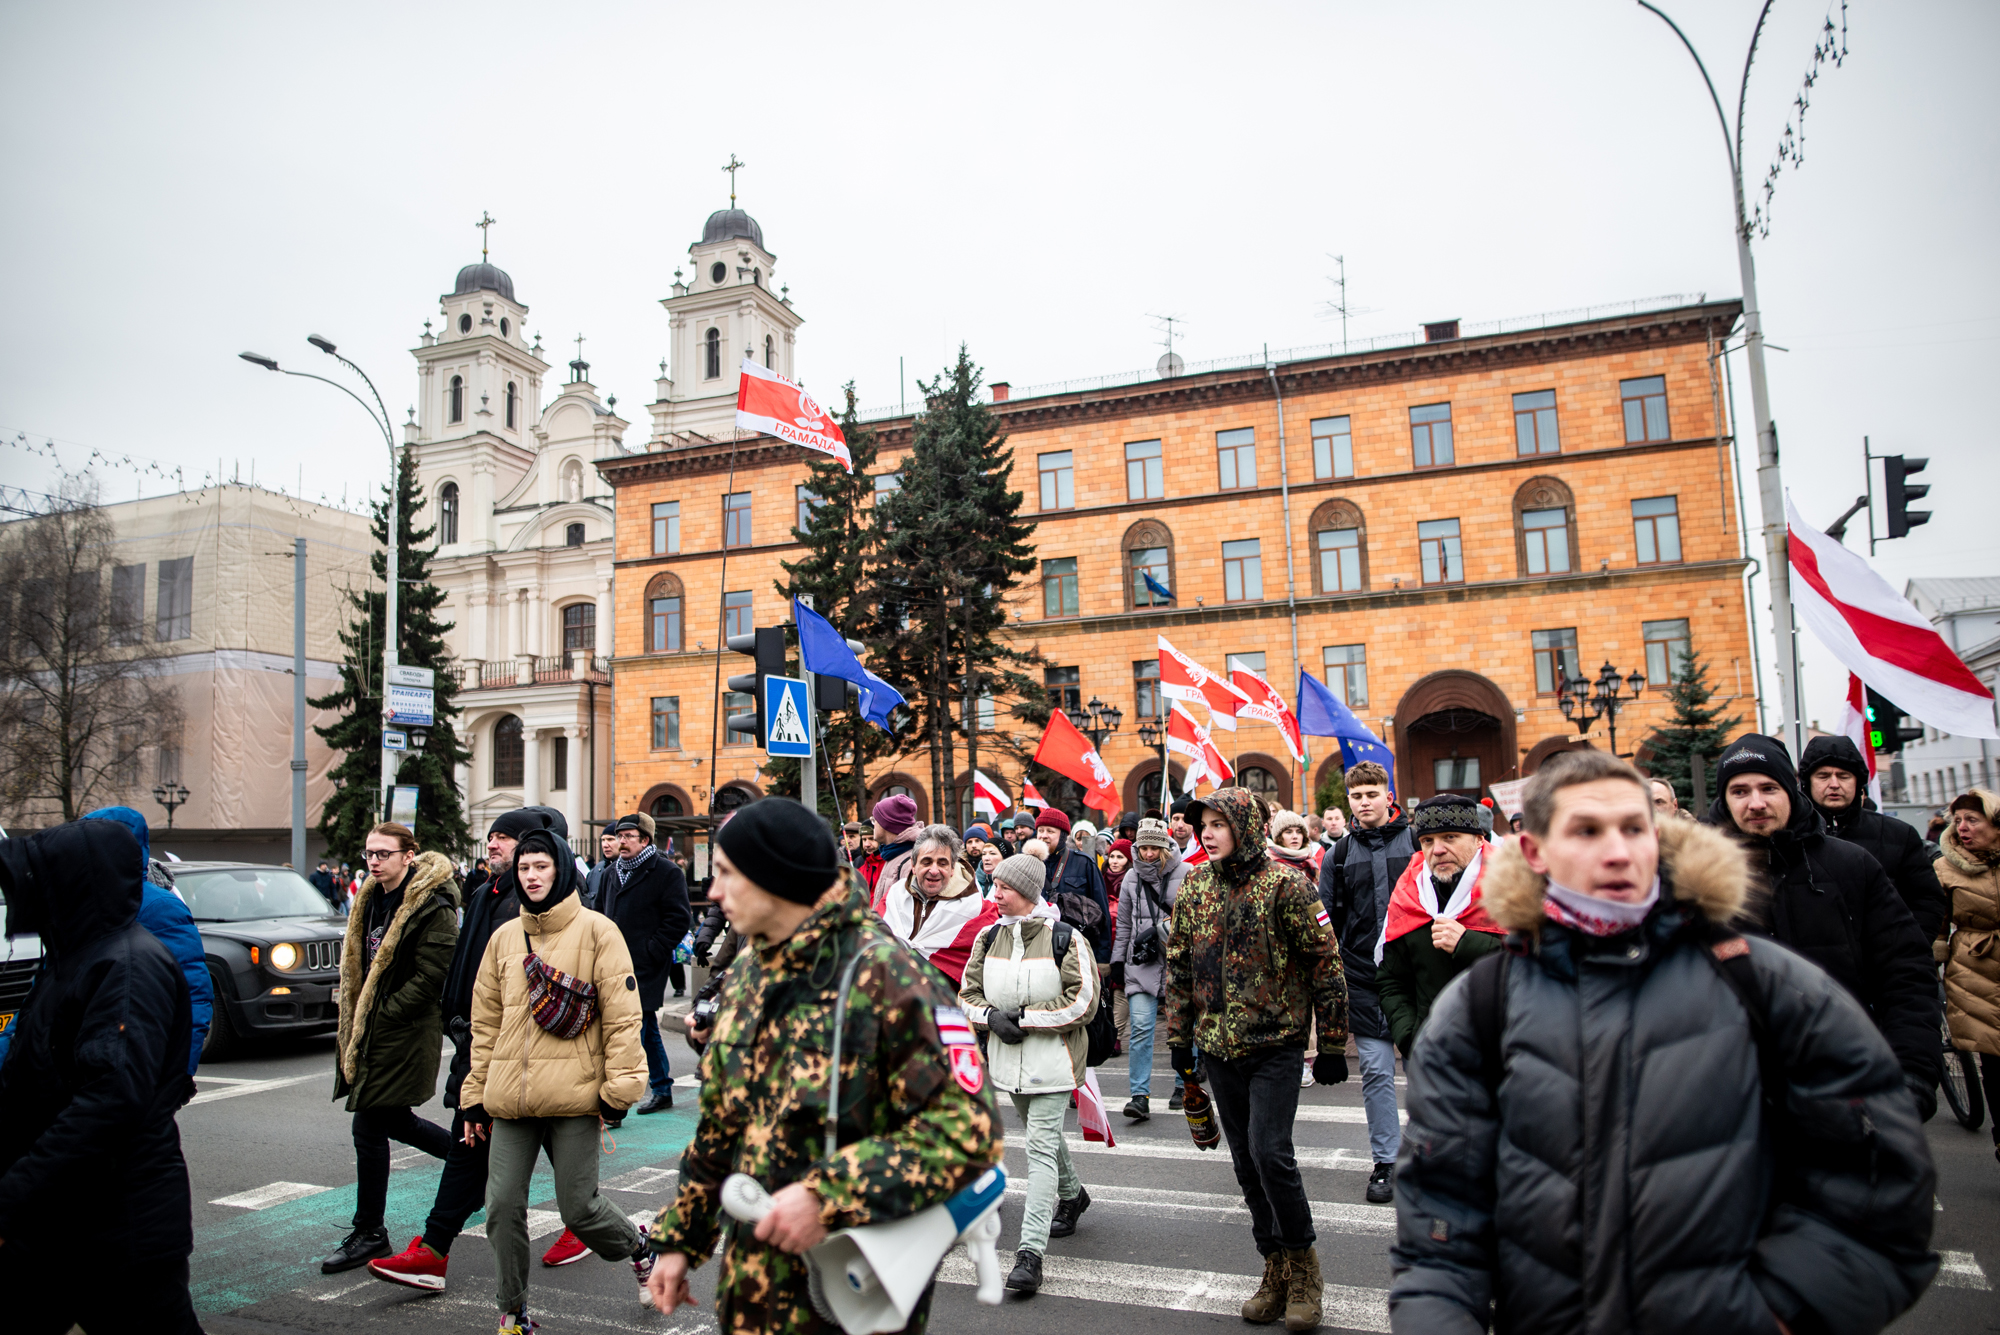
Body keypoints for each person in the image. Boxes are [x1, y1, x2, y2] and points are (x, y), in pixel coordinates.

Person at [1390, 748, 1938, 1335]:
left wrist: (1778, 1313)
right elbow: (1440, 1225)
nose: (1618, 849)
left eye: (1633, 827)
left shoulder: (1762, 981)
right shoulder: (1481, 1007)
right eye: (1586, 830)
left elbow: (1878, 1185)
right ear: (1534, 851)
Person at [643, 798, 1003, 1331]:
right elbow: (722, 1126)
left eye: (725, 874)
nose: (713, 894)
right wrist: (681, 1240)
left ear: (773, 877)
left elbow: (967, 1133)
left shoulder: (889, 976)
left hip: (847, 1294)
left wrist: (826, 1197)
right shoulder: (749, 973)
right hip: (753, 1294)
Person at [0, 820, 202, 1333]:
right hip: (66, 1219)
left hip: (120, 1224)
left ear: (69, 885)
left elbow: (110, 1099)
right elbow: (33, 1073)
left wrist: (16, 1188)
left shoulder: (127, 966)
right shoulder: (74, 957)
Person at [1164, 787, 1348, 1331]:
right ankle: (1274, 1267)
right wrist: (1181, 1038)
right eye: (1204, 826)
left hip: (1276, 1044)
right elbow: (1179, 966)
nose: (1209, 833)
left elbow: (1325, 964)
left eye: (1220, 824)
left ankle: (1304, 1267)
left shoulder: (1287, 884)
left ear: (1244, 825)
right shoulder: (1195, 885)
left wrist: (1333, 1043)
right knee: (1245, 1162)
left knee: (1272, 1154)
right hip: (1219, 1047)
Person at [458, 827, 654, 1333]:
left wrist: (620, 1091)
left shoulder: (596, 931)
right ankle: (513, 1311)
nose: (532, 875)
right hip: (511, 1099)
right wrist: (474, 1097)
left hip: (575, 1097)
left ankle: (641, 1247)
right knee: (500, 1207)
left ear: (562, 868)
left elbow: (622, 1015)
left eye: (541, 865)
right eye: (524, 868)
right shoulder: (503, 938)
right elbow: (485, 1025)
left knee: (580, 1209)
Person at [373, 808, 564, 1289]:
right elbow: (468, 967)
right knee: (470, 1146)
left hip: (511, 1053)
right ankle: (434, 1252)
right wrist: (455, 1020)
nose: (493, 845)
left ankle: (612, 1233)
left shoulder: (531, 909)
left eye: (504, 838)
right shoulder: (484, 893)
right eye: (492, 837)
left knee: (549, 1159)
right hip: (475, 1042)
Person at [1705, 734, 1941, 1119]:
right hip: (1736, 1099)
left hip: (1848, 1084)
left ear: (1791, 790)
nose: (1756, 803)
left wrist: (1911, 1072)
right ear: (1724, 798)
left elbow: (1907, 973)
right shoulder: (1692, 879)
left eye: (1768, 787)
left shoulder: (1851, 864)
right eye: (1739, 790)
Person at [959, 851, 1098, 1296]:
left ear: (1028, 892)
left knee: (1037, 1148)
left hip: (1054, 1062)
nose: (994, 894)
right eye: (994, 885)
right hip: (1008, 1064)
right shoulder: (987, 938)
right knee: (1045, 1135)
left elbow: (1083, 1002)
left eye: (1004, 887)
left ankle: (1029, 1255)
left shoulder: (1066, 938)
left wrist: (1022, 1019)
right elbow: (966, 995)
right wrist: (989, 1017)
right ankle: (1074, 1195)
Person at [322, 822, 460, 1273]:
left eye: (384, 853)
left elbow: (431, 975)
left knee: (370, 1124)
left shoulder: (431, 905)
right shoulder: (370, 897)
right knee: (393, 1122)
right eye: (369, 854)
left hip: (403, 1030)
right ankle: (472, 1166)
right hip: (374, 1028)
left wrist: (383, 1013)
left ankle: (371, 1232)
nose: (375, 862)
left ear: (409, 855)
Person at [1316, 760, 1413, 1204]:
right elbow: (1327, 922)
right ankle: (1385, 1161)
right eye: (1357, 796)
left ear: (1388, 796)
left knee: (1425, 1070)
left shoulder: (1415, 843)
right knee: (1375, 1070)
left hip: (1415, 976)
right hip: (1362, 975)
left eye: (1372, 794)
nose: (1365, 802)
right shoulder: (1338, 855)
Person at [83, 805, 213, 1074]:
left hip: (131, 1072)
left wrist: (176, 1077)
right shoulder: (80, 906)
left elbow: (192, 997)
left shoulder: (157, 907)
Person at [1373, 795, 1503, 1058]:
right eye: (1427, 841)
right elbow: (1392, 979)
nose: (1438, 849)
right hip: (1431, 1055)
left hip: (1505, 1053)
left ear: (1479, 839)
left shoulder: (1514, 890)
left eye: (1450, 837)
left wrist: (1467, 944)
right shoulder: (1409, 895)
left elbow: (1539, 960)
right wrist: (1410, 1037)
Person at [1801, 733, 1951, 942]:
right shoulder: (1792, 837)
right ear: (1808, 782)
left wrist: (1908, 953)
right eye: (1823, 776)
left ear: (1858, 783)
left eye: (1843, 776)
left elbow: (1927, 901)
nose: (1834, 784)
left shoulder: (1899, 835)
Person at [596, 813, 692, 1115]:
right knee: (631, 1027)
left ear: (645, 840)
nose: (620, 842)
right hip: (612, 963)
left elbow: (679, 919)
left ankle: (638, 1095)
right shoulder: (612, 873)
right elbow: (598, 913)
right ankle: (658, 1087)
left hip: (645, 965)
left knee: (640, 1026)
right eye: (618, 836)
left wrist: (654, 949)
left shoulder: (665, 872)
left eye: (628, 837)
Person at [1938, 788, 2000, 1161]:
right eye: (1957, 820)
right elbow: (1936, 925)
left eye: (1972, 820)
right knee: (1994, 1059)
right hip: (1974, 970)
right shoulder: (1944, 868)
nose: (1962, 827)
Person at [1114, 817, 1188, 1119]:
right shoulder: (1131, 878)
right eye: (1143, 847)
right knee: (1141, 1028)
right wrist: (1118, 961)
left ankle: (1186, 1083)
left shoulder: (1188, 873)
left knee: (1184, 1029)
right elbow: (1123, 923)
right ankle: (1139, 1095)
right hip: (1141, 961)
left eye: (1154, 848)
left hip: (1178, 961)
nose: (1148, 854)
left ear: (1165, 846)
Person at [881, 824, 1000, 987]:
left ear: (952, 868)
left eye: (942, 863)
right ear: (913, 865)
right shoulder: (894, 896)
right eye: (927, 862)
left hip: (947, 1004)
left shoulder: (977, 909)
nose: (934, 870)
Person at [1034, 806, 1114, 964]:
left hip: (1077, 951)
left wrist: (1102, 960)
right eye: (1040, 830)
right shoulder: (1027, 863)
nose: (1043, 836)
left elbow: (1102, 914)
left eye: (1050, 831)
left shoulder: (1084, 863)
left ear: (1063, 835)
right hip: (1038, 951)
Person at [861, 793, 922, 910]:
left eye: (875, 820)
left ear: (886, 824)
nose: (873, 825)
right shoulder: (892, 854)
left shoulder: (909, 861)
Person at [1104, 837, 1133, 1052]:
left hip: (1124, 942)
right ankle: (1103, 1034)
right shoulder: (1100, 879)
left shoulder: (1132, 882)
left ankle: (1116, 1036)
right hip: (1104, 942)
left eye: (1120, 857)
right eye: (1112, 856)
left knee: (1119, 992)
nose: (1114, 861)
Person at [1269, 810, 1323, 877]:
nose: (1295, 836)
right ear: (1279, 836)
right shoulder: (1270, 863)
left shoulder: (1310, 863)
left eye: (1299, 832)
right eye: (1289, 832)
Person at [583, 829, 620, 911]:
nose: (605, 845)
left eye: (610, 839)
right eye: (603, 840)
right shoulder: (595, 871)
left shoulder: (629, 870)